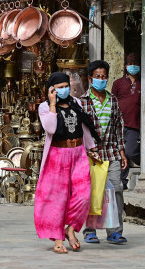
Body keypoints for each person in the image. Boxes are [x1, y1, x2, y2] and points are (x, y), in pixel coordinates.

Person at [34, 72, 100, 254]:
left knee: (83, 195)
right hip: (57, 155)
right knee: (58, 198)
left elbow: (84, 127)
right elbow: (50, 128)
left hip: (78, 153)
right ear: (51, 89)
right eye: (59, 87)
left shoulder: (76, 103)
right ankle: (58, 238)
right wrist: (53, 104)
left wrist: (92, 148)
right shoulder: (44, 107)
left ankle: (70, 229)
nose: (64, 90)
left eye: (66, 86)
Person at [81, 60, 128, 244]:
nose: (101, 80)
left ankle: (115, 231)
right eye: (97, 77)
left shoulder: (113, 100)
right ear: (90, 78)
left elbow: (118, 127)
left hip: (112, 152)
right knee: (93, 192)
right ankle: (90, 230)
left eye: (104, 77)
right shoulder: (82, 102)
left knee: (116, 190)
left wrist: (122, 151)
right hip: (91, 154)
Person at [112, 53, 141, 189]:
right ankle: (122, 183)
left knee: (130, 152)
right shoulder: (118, 83)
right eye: (130, 64)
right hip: (119, 123)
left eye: (135, 64)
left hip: (135, 124)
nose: (133, 66)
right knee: (120, 154)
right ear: (125, 66)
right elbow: (113, 102)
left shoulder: (142, 82)